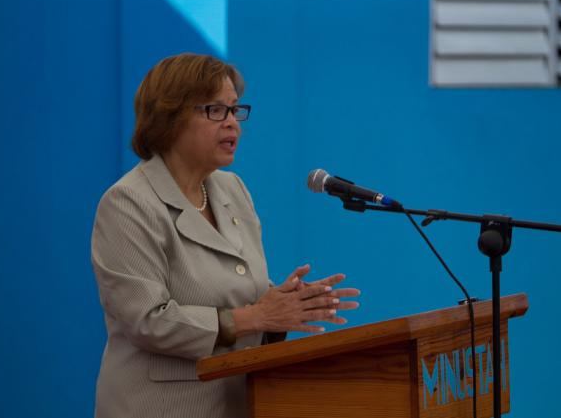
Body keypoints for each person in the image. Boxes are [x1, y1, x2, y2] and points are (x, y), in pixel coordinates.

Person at [90, 53, 360, 418]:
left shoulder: (233, 189)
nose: (233, 123)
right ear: (169, 117)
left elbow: (243, 292)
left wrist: (287, 303)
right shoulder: (129, 203)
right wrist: (257, 317)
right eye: (216, 110)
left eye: (235, 109)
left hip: (238, 402)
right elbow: (148, 320)